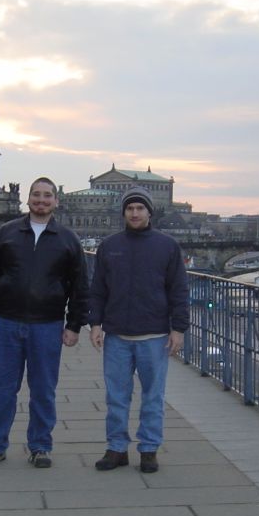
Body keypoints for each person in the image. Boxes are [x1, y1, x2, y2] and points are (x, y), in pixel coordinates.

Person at [0, 177, 89, 469]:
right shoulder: (6, 233)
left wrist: (74, 324)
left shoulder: (68, 239)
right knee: (2, 388)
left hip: (47, 325)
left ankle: (40, 446)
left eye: (47, 196)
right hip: (5, 323)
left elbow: (80, 287)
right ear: (28, 199)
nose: (41, 200)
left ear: (55, 201)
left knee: (43, 390)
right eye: (36, 195)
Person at [89, 186, 189, 474]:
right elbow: (98, 290)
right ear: (124, 213)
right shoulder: (109, 246)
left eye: (139, 208)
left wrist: (178, 329)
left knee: (153, 397)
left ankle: (148, 449)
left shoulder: (167, 246)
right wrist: (95, 323)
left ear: (149, 212)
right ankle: (116, 448)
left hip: (154, 336)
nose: (134, 213)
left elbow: (179, 291)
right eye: (130, 209)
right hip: (117, 335)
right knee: (116, 397)